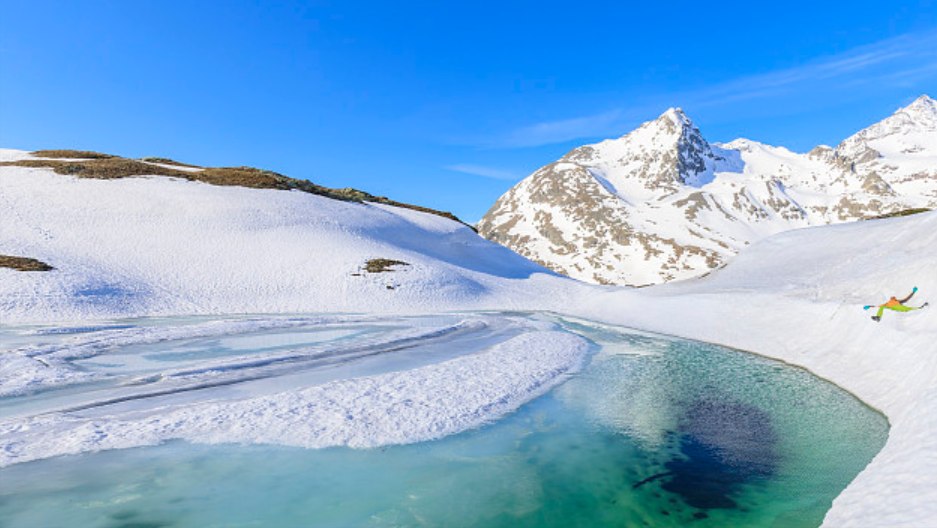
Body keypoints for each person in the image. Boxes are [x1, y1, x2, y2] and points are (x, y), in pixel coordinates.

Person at [864, 287, 929, 322]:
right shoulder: (887, 303)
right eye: (891, 298)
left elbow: (906, 299)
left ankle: (922, 307)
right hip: (893, 308)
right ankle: (878, 317)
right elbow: (877, 307)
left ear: (895, 298)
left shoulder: (897, 301)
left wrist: (913, 292)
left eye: (893, 297)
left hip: (900, 307)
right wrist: (869, 306)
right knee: (882, 307)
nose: (892, 298)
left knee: (910, 309)